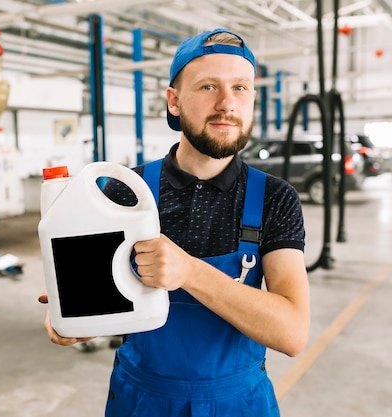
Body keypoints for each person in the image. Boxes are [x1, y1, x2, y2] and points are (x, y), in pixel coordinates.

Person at [39, 28, 310, 416]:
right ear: (174, 100)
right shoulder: (124, 191)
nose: (226, 103)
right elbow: (93, 297)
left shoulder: (274, 198)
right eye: (207, 87)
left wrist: (189, 272)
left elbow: (292, 333)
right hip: (141, 400)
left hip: (238, 403)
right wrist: (74, 311)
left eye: (240, 88)